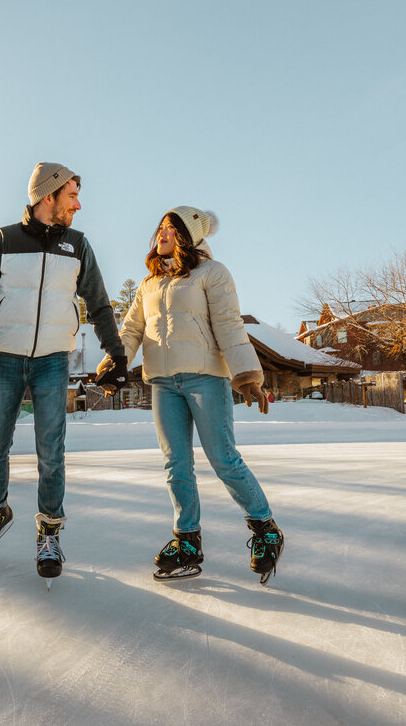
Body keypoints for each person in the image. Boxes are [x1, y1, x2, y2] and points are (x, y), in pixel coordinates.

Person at [0, 162, 127, 581]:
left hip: (54, 358)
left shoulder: (77, 245)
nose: (79, 204)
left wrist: (117, 354)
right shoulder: (4, 240)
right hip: (6, 357)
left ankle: (49, 534)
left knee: (51, 453)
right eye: (72, 195)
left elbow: (100, 303)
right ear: (47, 196)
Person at [100, 206, 284, 584]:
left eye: (171, 228)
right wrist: (113, 364)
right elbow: (132, 330)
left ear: (189, 235)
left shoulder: (212, 274)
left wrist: (247, 374)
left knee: (223, 459)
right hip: (163, 384)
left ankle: (266, 529)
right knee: (175, 464)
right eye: (161, 228)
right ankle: (187, 541)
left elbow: (229, 325)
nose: (162, 233)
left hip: (205, 379)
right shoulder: (148, 284)